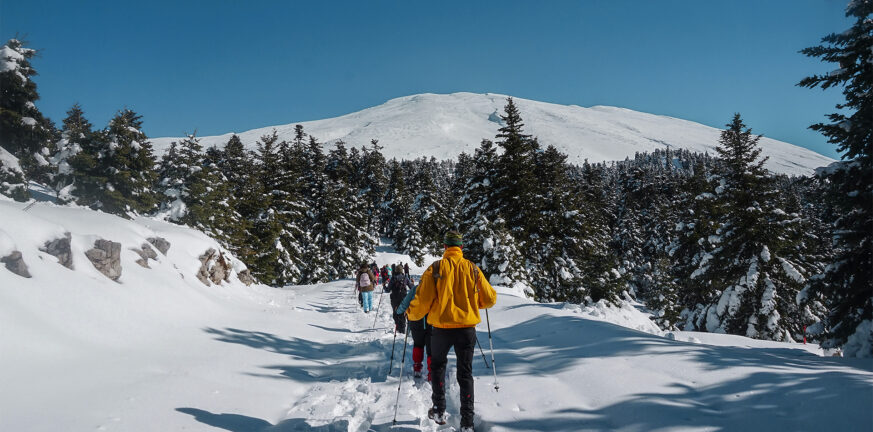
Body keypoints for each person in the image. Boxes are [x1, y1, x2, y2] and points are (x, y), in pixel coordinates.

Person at [405, 230, 497, 431]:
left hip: (441, 328)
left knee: (437, 366)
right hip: (466, 329)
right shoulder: (472, 268)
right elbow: (490, 299)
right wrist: (474, 304)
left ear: (445, 247)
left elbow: (422, 302)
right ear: (461, 247)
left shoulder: (436, 268)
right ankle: (467, 422)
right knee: (465, 373)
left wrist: (410, 314)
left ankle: (438, 410)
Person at [396, 273, 432, 381]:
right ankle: (432, 372)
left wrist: (399, 311)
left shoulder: (416, 288)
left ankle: (417, 367)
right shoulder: (434, 289)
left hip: (416, 322)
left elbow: (405, 302)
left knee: (418, 345)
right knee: (431, 349)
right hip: (431, 323)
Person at [386, 264, 414, 334]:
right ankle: (403, 328)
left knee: (396, 313)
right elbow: (412, 288)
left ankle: (398, 327)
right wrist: (412, 282)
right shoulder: (405, 278)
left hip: (394, 298)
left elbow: (388, 290)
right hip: (404, 297)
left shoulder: (393, 278)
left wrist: (384, 286)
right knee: (403, 312)